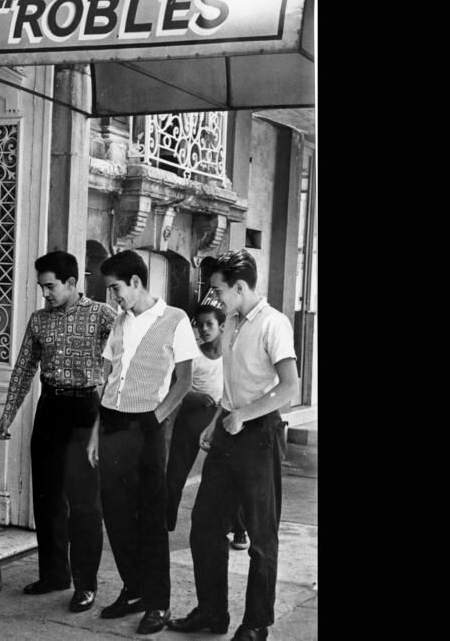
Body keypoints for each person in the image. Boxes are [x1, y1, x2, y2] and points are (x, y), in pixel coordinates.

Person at [167, 249, 299, 641]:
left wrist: (245, 415)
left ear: (239, 287)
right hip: (227, 429)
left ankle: (256, 624)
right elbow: (231, 386)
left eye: (219, 290)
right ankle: (212, 613)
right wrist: (215, 423)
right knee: (205, 526)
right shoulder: (233, 324)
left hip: (260, 435)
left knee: (261, 536)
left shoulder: (274, 324)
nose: (214, 297)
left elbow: (289, 387)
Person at [0, 250, 117, 613]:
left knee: (84, 504)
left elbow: (126, 358)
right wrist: (8, 414)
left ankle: (85, 584)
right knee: (47, 498)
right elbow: (23, 369)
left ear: (71, 282)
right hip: (49, 408)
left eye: (50, 286)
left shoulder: (103, 316)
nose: (45, 293)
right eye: (41, 287)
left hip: (86, 411)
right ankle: (53, 575)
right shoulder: (38, 321)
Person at [86, 250, 200, 635]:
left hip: (146, 425)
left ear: (136, 282)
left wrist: (155, 419)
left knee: (150, 518)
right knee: (116, 515)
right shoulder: (120, 321)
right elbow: (106, 377)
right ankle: (133, 589)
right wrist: (95, 433)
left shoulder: (175, 320)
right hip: (111, 424)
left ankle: (158, 604)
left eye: (116, 288)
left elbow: (184, 381)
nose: (113, 296)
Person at [164, 302, 250, 552]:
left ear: (222, 326)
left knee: (232, 474)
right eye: (199, 325)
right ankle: (163, 524)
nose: (203, 329)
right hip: (192, 415)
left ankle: (240, 528)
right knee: (175, 474)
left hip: (222, 416)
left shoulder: (232, 354)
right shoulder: (193, 354)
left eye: (209, 324)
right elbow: (175, 385)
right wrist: (193, 396)